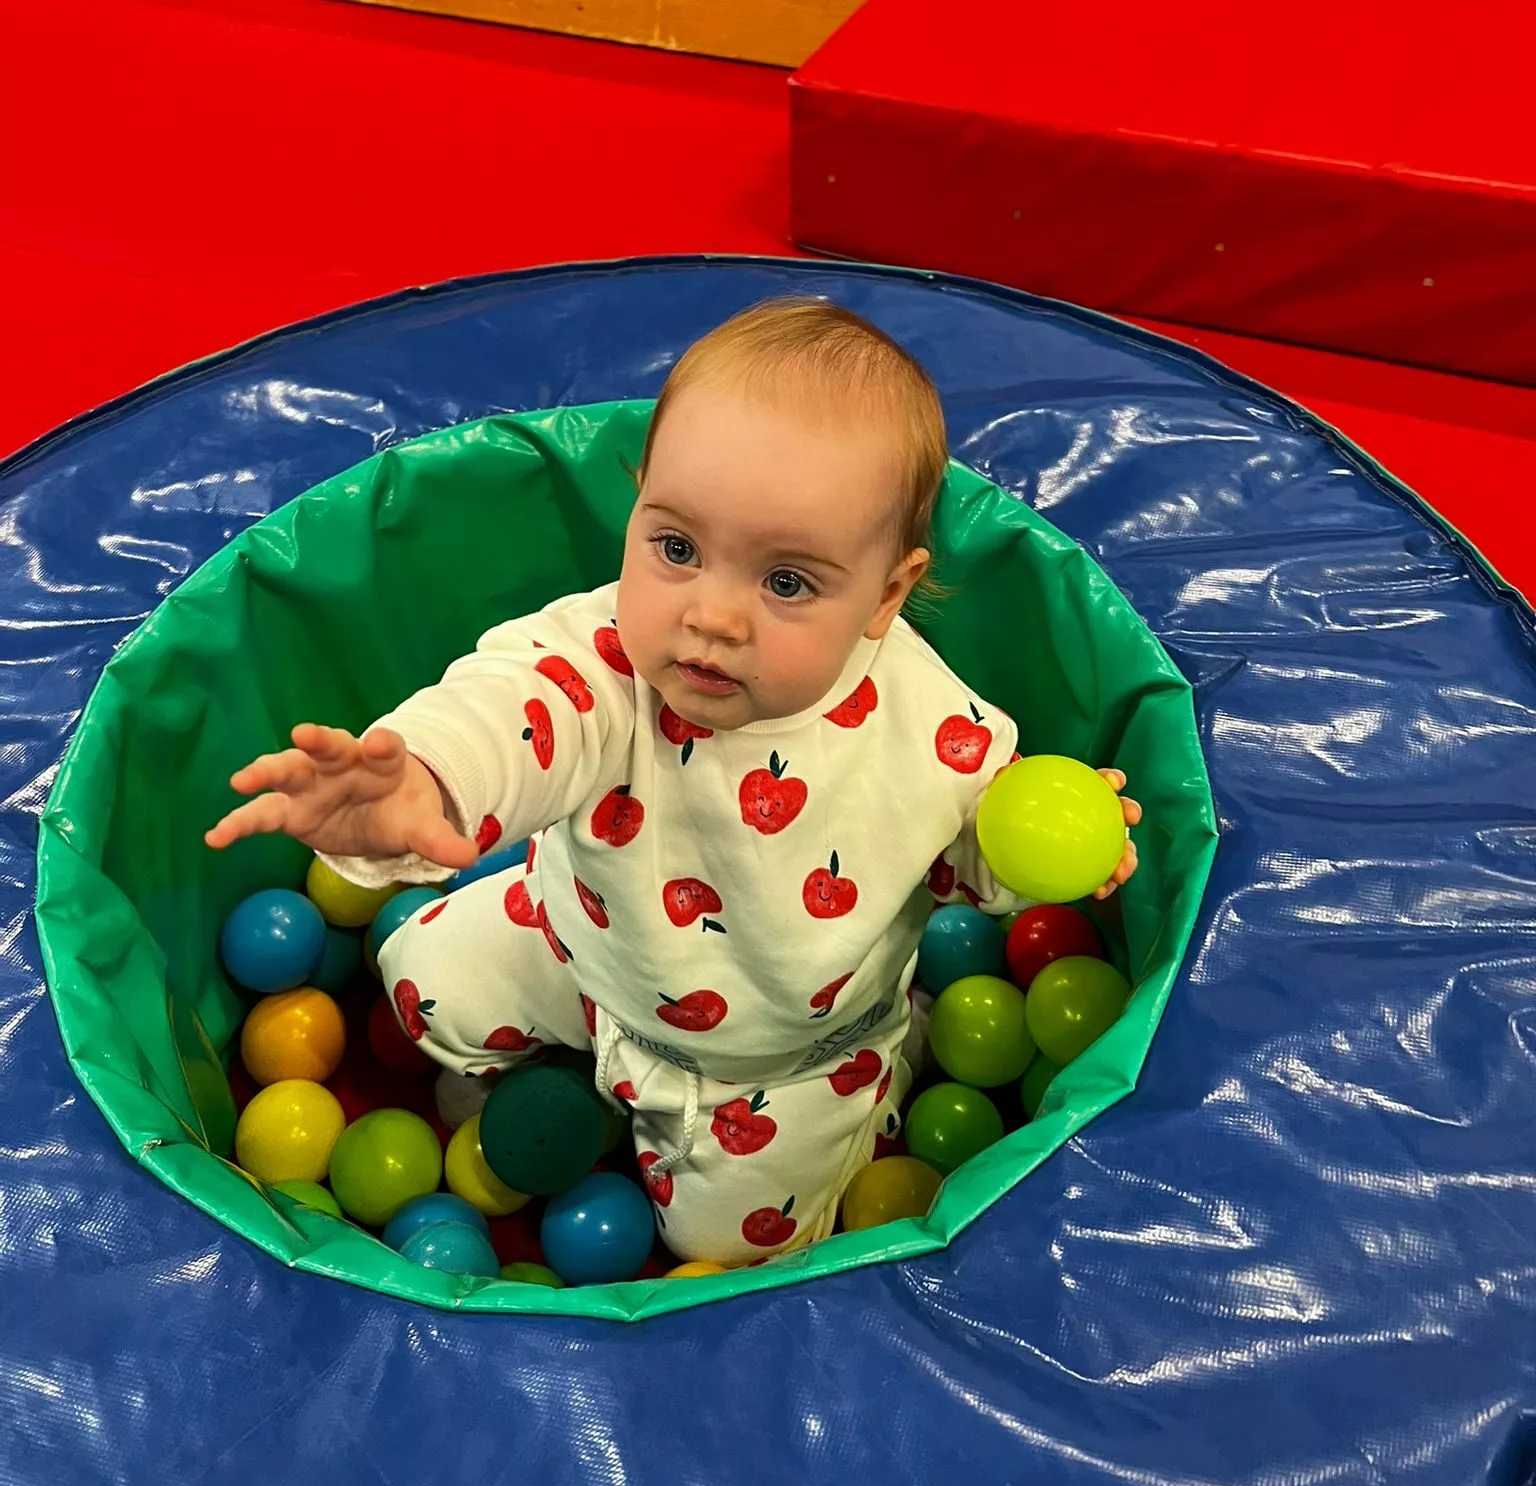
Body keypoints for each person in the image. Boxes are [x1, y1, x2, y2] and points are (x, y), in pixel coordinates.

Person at [206, 298, 1140, 1266]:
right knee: (416, 979)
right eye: (678, 548)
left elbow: (972, 853)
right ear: (639, 500)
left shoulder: (932, 731)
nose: (713, 618)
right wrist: (427, 784)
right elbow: (523, 706)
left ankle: (886, 1066)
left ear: (886, 593)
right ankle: (543, 1086)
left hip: (781, 1059)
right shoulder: (609, 663)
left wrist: (1050, 846)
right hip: (586, 954)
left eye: (786, 582)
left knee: (717, 1243)